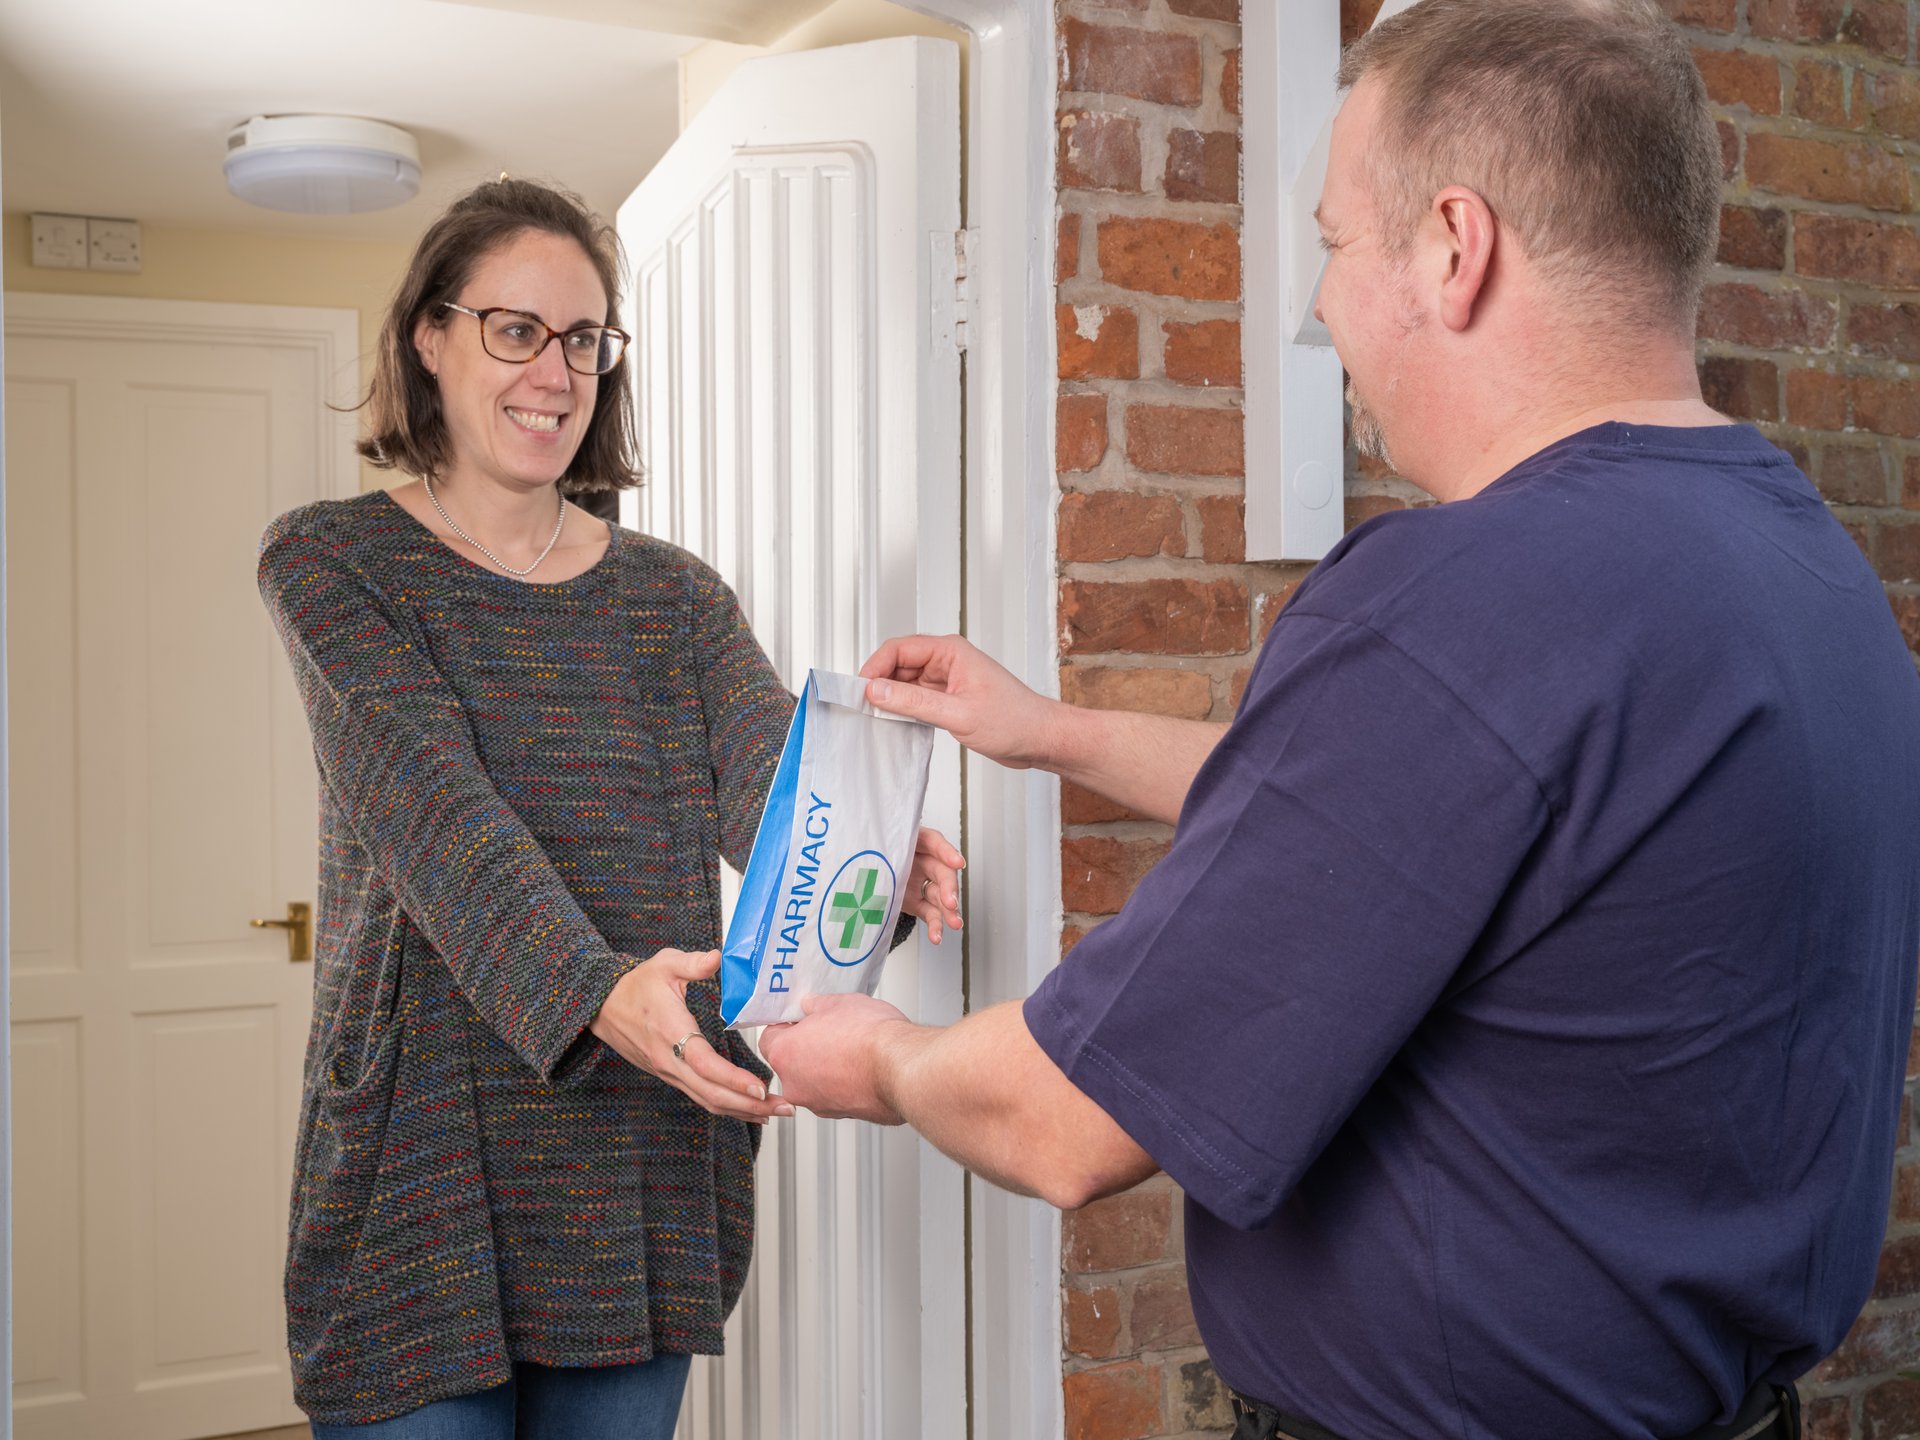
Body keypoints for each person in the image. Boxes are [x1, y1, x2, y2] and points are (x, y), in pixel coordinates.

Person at [758, 3, 1920, 1438]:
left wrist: (871, 1053)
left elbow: (1064, 1121)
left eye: (1331, 242)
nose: (1318, 308)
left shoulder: (1470, 597)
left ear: (1452, 244)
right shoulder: (1812, 571)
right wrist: (1050, 729)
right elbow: (1417, 831)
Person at [256, 177, 963, 1438]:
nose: (555, 371)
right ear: (430, 338)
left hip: (634, 1158)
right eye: (514, 329)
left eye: (582, 338)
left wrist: (874, 858)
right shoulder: (332, 563)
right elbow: (439, 819)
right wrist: (596, 990)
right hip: (423, 1163)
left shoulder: (675, 600)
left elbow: (777, 806)